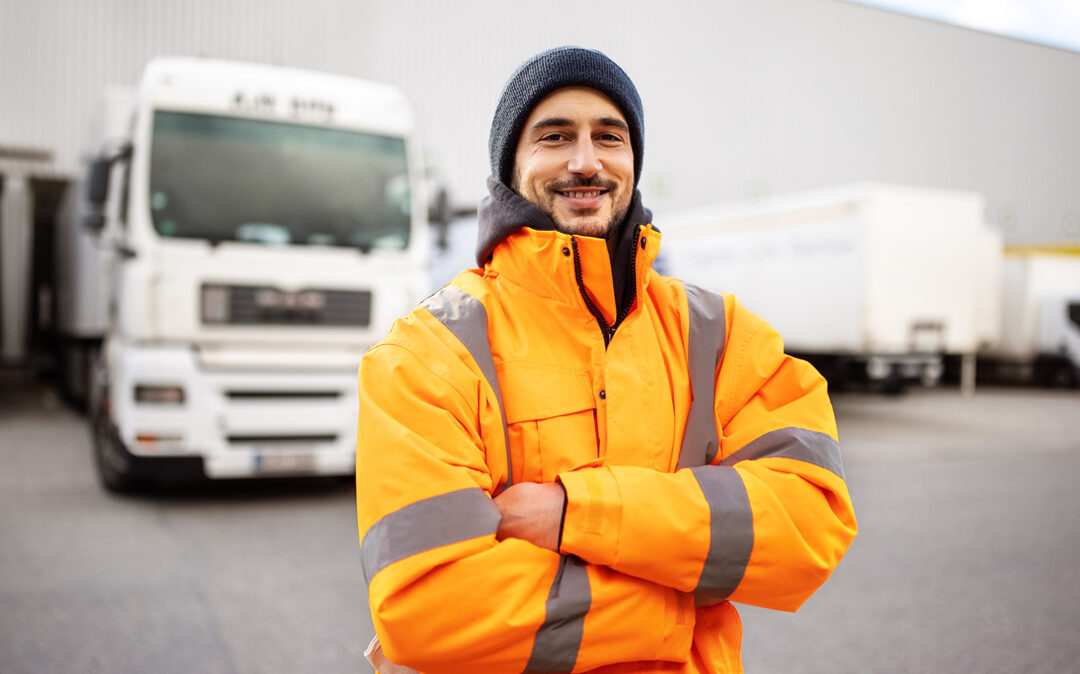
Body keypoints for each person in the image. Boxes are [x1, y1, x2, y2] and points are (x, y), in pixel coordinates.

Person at [356, 46, 857, 673]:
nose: (585, 161)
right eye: (555, 136)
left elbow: (808, 527)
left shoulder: (721, 334)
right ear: (511, 165)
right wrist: (675, 610)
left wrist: (575, 512)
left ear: (633, 160)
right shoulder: (425, 354)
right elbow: (426, 610)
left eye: (608, 136)